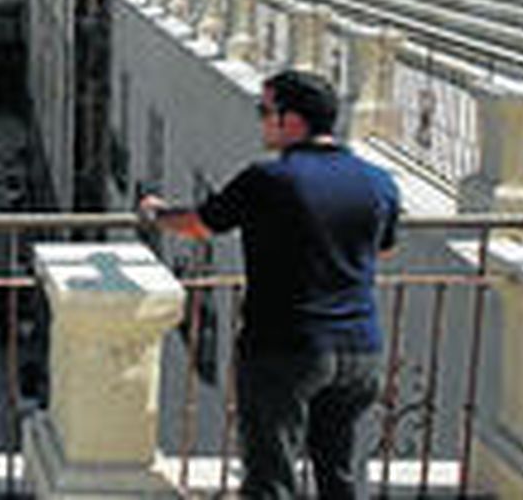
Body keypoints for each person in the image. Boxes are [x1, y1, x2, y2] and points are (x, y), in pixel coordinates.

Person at [139, 69, 400, 499]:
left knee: (271, 477)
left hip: (286, 348)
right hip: (360, 351)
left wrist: (156, 213)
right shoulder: (379, 181)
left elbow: (202, 224)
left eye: (265, 111)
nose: (261, 120)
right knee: (338, 474)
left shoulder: (270, 178)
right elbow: (383, 248)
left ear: (292, 121)